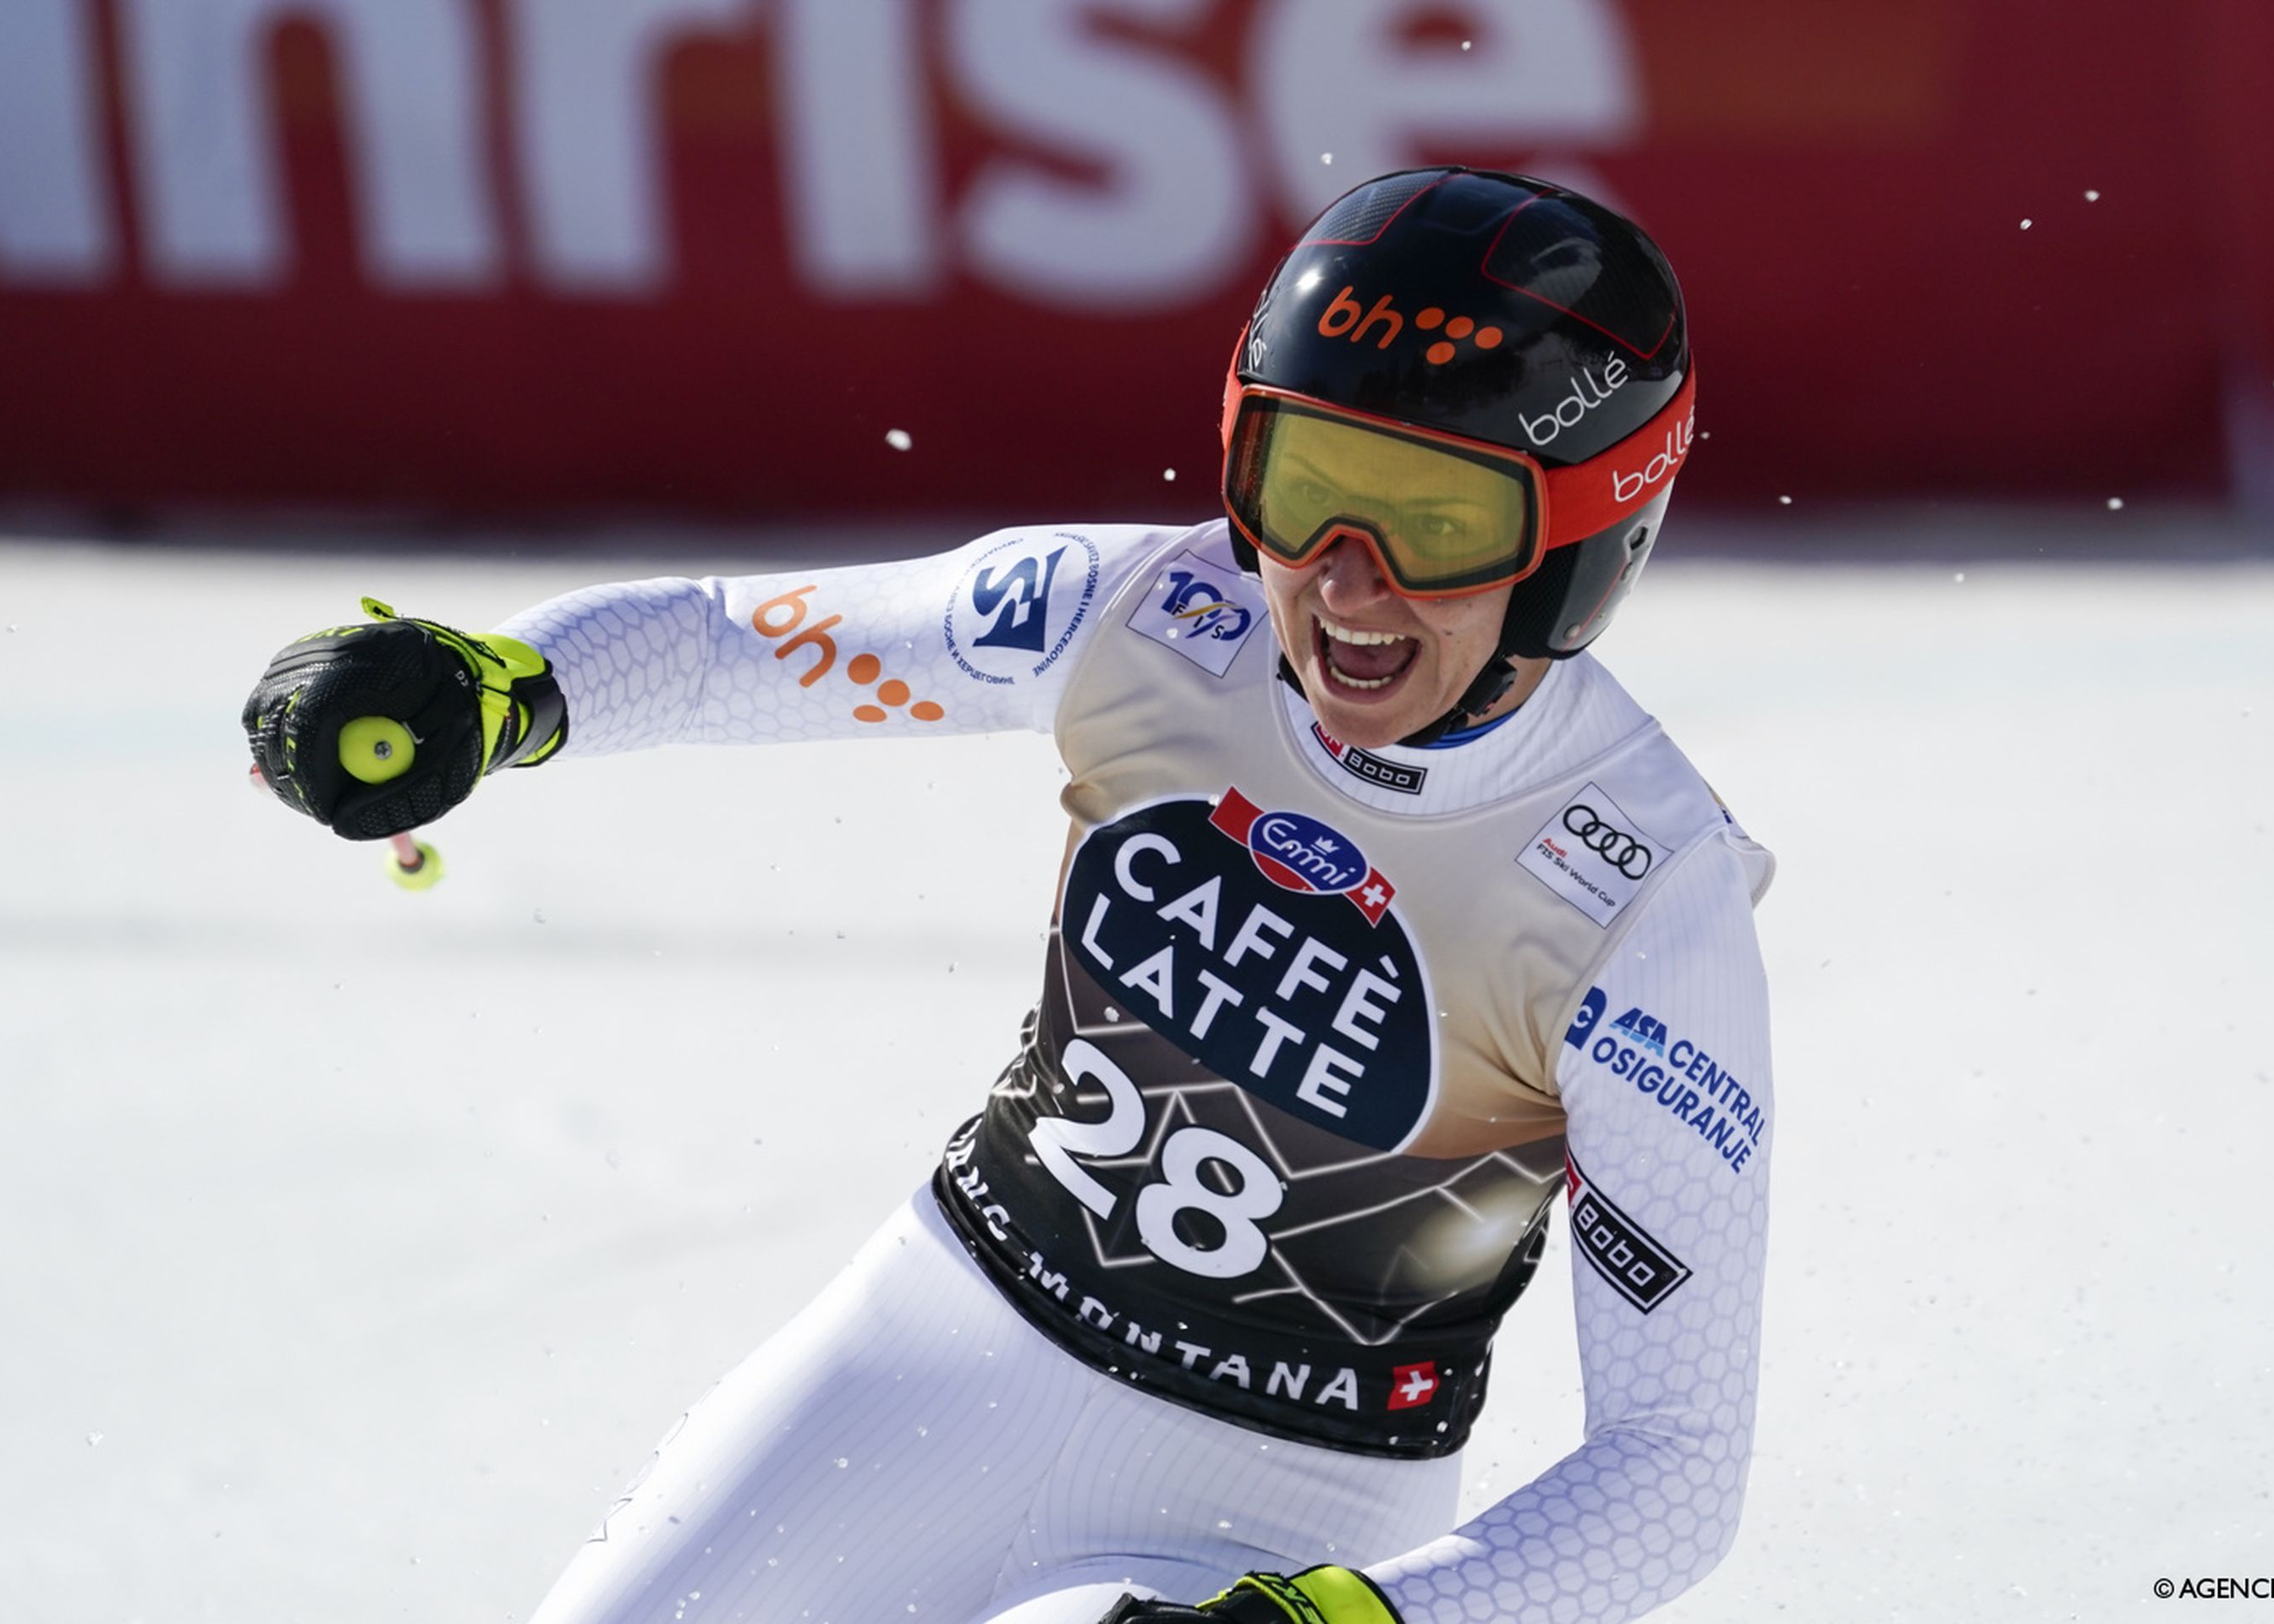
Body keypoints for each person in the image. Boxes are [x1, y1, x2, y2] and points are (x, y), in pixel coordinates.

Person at [242, 167, 1774, 1624]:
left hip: (1279, 1509)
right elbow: (727, 644)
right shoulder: (1155, 618)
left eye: (1438, 524)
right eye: (1305, 490)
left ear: (1584, 540)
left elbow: (1676, 1474)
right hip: (938, 1349)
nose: (1344, 584)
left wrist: (1353, 1614)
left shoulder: (1645, 901)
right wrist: (502, 687)